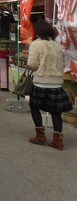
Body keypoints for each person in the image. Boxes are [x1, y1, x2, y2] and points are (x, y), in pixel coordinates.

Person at [27, 18, 73, 150]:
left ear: (38, 32)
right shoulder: (57, 46)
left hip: (41, 81)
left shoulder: (36, 44)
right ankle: (58, 141)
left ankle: (40, 136)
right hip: (56, 83)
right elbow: (63, 64)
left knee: (34, 107)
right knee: (56, 112)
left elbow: (32, 64)